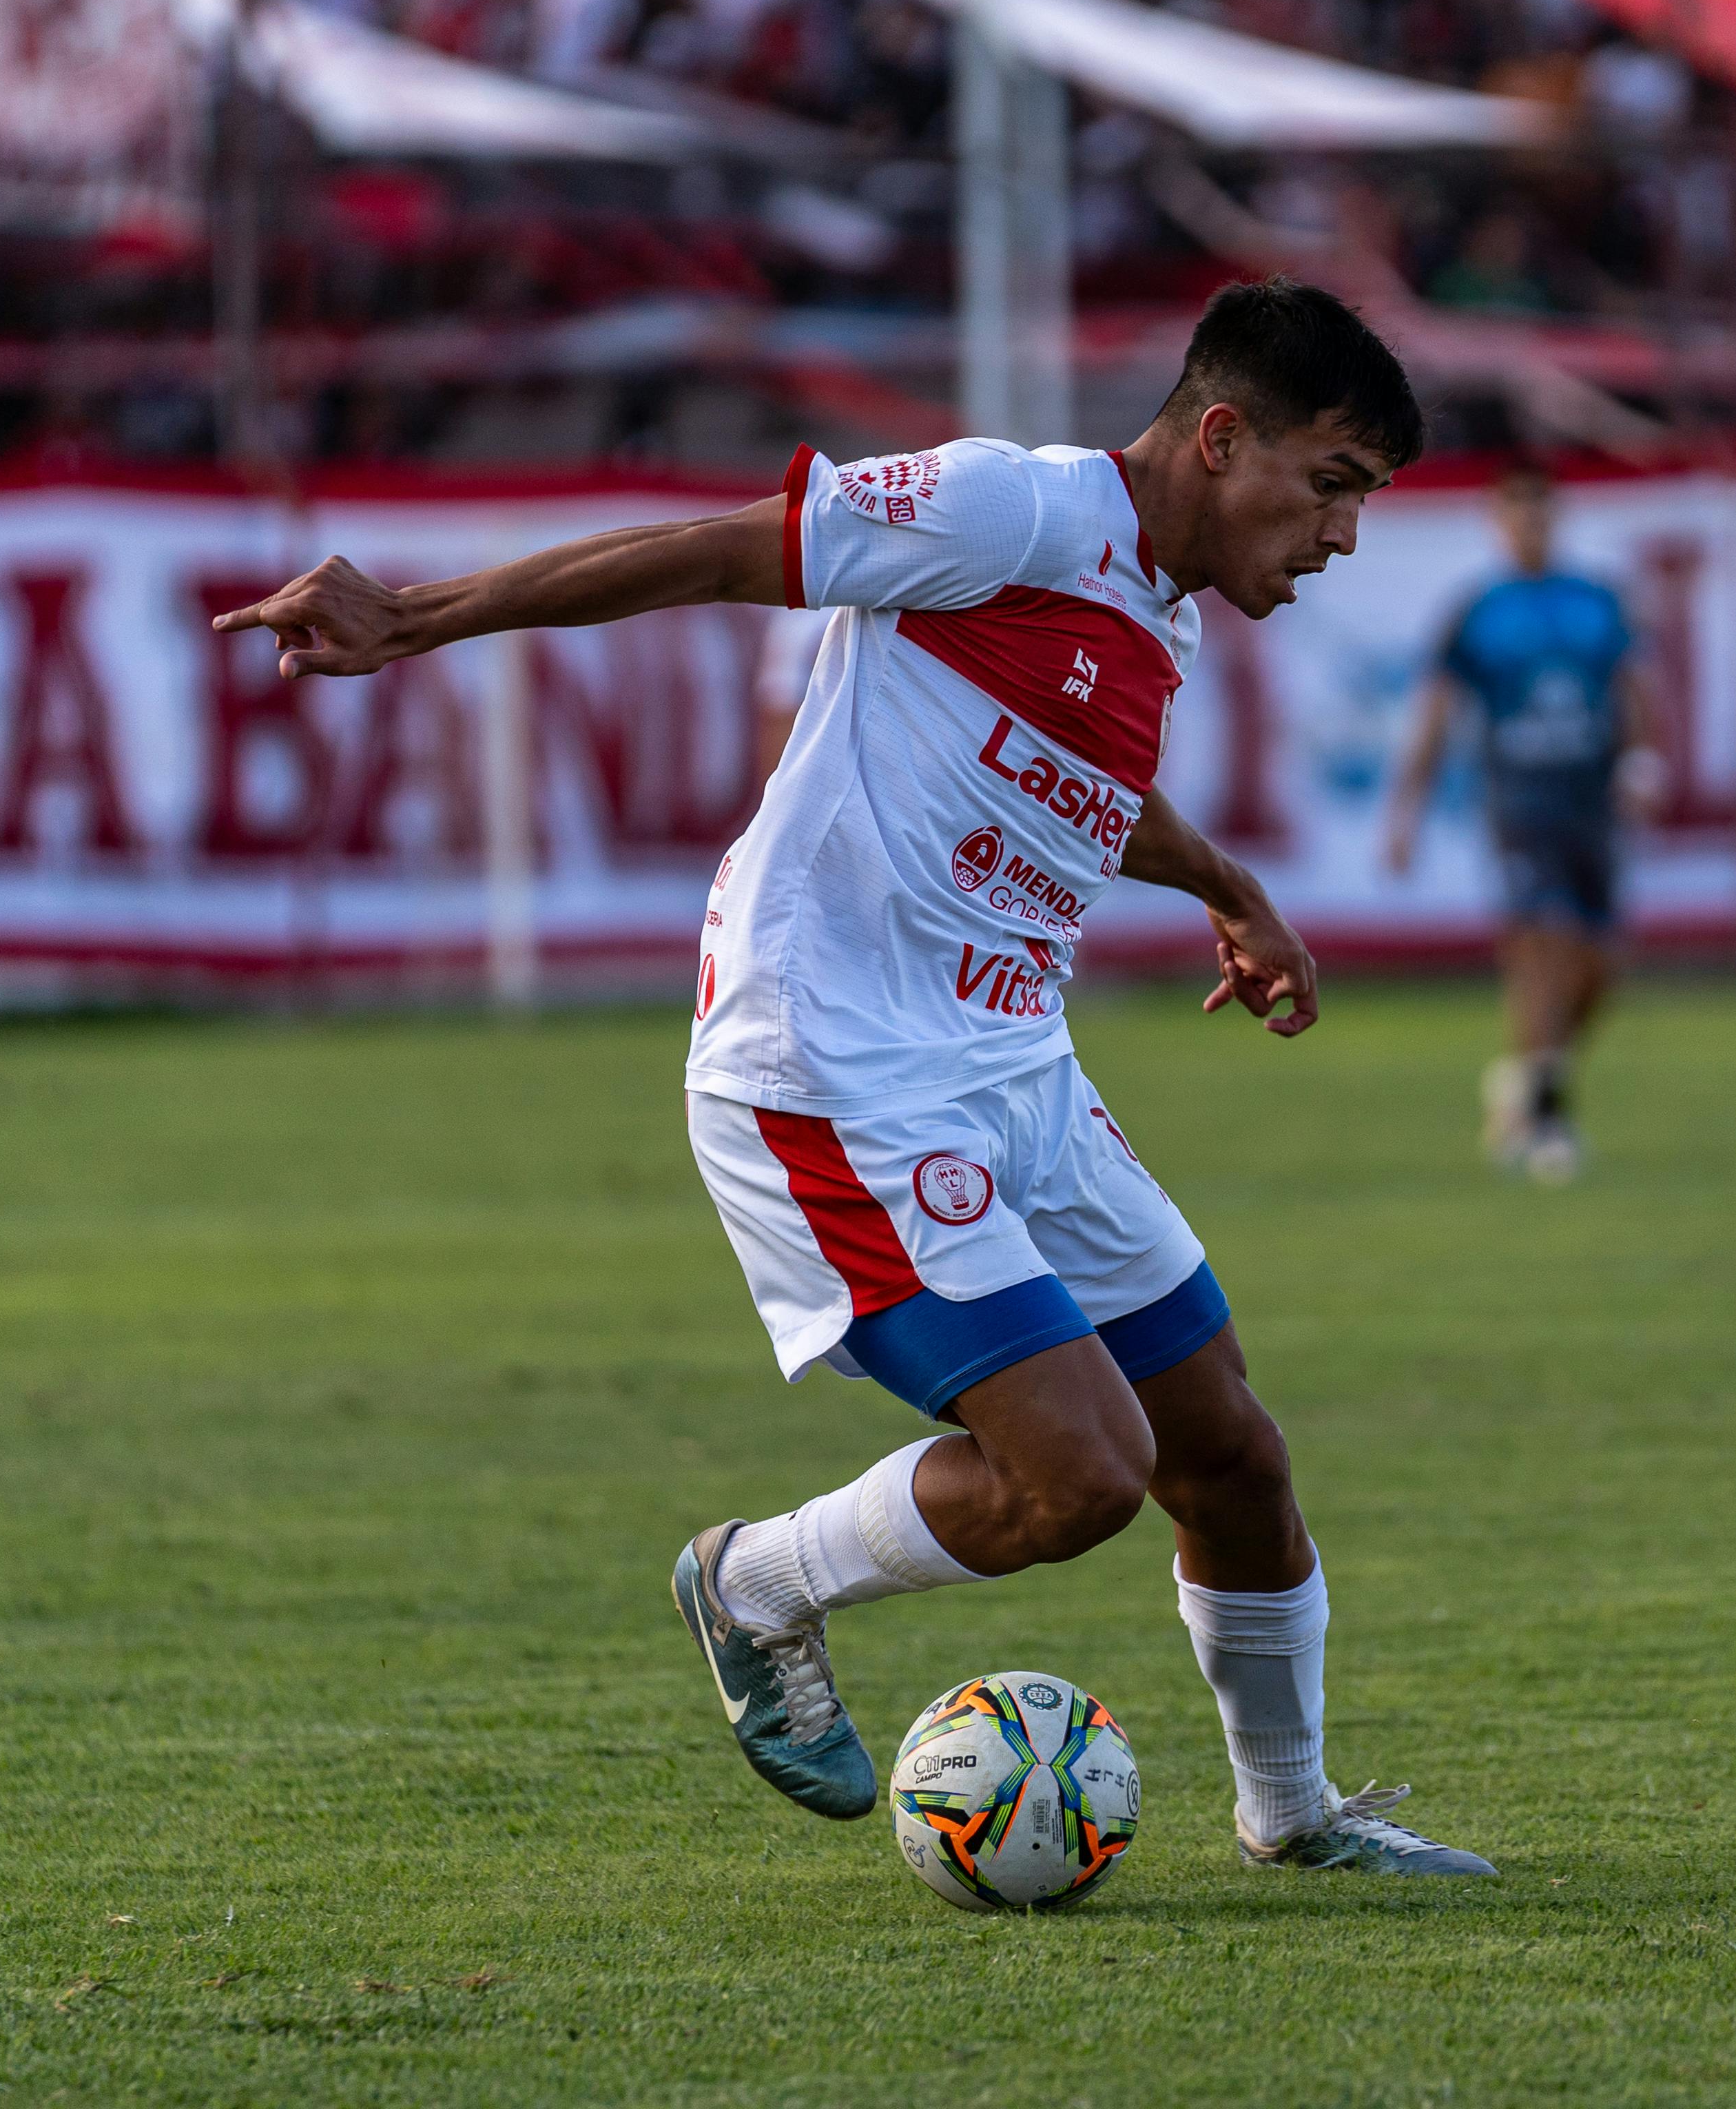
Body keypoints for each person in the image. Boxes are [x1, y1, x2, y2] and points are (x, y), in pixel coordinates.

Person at [211, 278, 1495, 1879]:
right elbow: (715, 550)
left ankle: (1296, 1819)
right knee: (1082, 1471)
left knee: (1229, 1448)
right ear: (1223, 438)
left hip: (1012, 1067)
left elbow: (1072, 776)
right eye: (1335, 486)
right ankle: (756, 1580)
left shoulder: (1142, 607)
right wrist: (412, 614)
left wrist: (1229, 883)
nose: (1344, 536)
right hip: (835, 1069)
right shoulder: (1011, 506)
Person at [1380, 463, 1653, 1182]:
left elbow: (1630, 689)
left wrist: (1643, 760)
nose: (1530, 527)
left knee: (1600, 970)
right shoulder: (1479, 610)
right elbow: (1439, 712)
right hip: (1519, 803)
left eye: (1541, 514)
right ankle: (1547, 1118)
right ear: (1498, 524)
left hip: (1588, 802)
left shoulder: (1597, 600)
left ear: (1555, 519)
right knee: (1544, 949)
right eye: (1517, 516)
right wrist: (1406, 812)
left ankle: (1526, 1076)